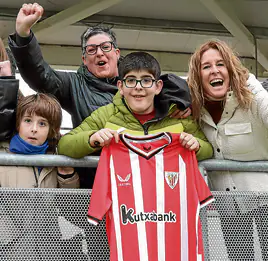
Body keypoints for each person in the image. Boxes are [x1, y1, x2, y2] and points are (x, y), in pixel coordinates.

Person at [8, 3, 194, 189]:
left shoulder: (140, 84)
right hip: (96, 185)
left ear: (116, 53)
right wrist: (23, 35)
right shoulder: (74, 85)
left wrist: (182, 103)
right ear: (84, 59)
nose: (99, 53)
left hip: (146, 185)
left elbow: (173, 86)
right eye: (91, 50)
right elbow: (40, 74)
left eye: (105, 47)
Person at [187, 39, 268, 261]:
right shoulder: (196, 110)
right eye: (206, 66)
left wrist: (254, 87)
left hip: (265, 201)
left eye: (220, 64)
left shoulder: (252, 99)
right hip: (228, 206)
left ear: (231, 69)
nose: (214, 70)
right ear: (198, 75)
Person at [58, 51, 213, 161]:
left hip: (168, 204)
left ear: (158, 86)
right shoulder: (106, 114)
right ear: (120, 86)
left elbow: (209, 150)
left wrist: (197, 146)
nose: (138, 87)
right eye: (131, 80)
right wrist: (92, 139)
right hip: (122, 204)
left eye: (146, 80)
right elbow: (65, 145)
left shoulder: (177, 114)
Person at [0, 93, 80, 261]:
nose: (34, 129)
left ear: (52, 129)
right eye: (28, 120)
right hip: (10, 252)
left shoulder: (57, 158)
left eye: (42, 123)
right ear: (18, 123)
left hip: (49, 254)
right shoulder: (2, 156)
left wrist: (67, 175)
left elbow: (72, 208)